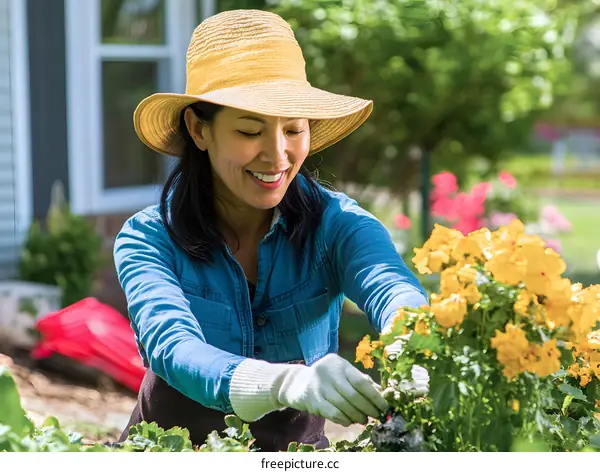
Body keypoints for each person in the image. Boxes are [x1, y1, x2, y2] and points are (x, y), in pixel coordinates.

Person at [114, 9, 429, 451]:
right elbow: (173, 346)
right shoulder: (149, 239)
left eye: (294, 129)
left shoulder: (339, 225)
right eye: (250, 130)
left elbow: (391, 288)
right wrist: (284, 383)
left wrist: (414, 345)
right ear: (198, 130)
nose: (277, 154)